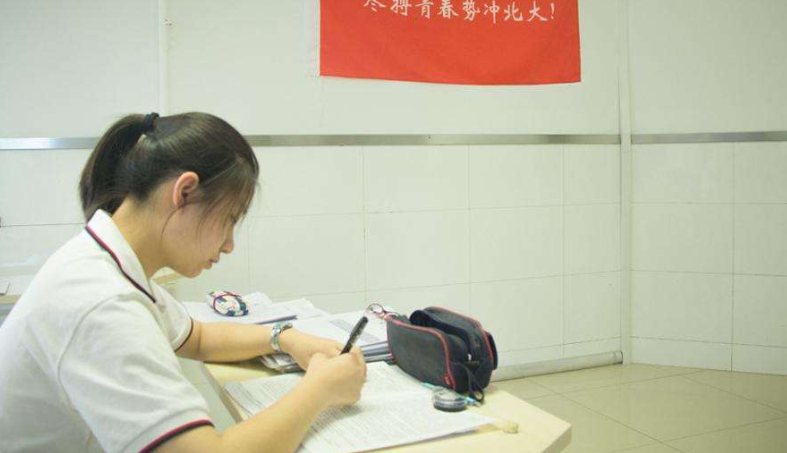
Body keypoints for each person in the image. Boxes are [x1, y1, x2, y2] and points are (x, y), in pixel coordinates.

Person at [0, 112, 367, 453]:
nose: (228, 245)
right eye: (229, 218)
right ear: (185, 192)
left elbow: (199, 337)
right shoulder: (100, 301)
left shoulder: (107, 263)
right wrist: (320, 389)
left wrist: (284, 338)